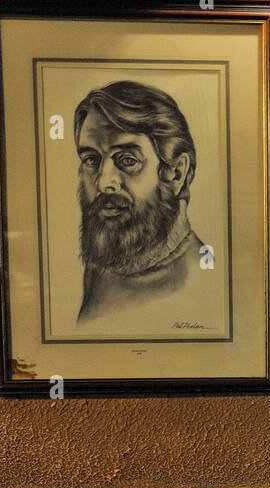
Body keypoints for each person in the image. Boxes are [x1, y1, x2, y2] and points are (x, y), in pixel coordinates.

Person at [75, 81, 208, 326]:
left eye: (127, 160)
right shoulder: (103, 265)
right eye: (92, 159)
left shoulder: (204, 282)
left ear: (176, 173)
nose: (104, 183)